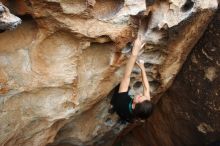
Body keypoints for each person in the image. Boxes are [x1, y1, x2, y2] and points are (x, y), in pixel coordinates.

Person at [111, 22, 154, 122]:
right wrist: (142, 68)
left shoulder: (122, 101)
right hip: (132, 116)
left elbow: (126, 76)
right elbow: (146, 87)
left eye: (139, 97)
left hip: (121, 107)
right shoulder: (145, 104)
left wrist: (134, 52)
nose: (140, 94)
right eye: (142, 96)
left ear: (134, 106)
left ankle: (113, 106)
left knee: (118, 94)